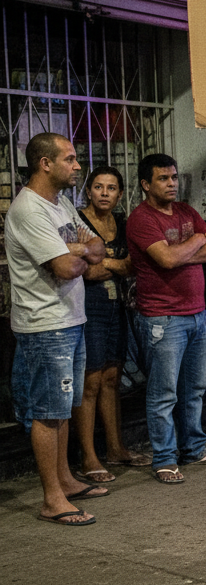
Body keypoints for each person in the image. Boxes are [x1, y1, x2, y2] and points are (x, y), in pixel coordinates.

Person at [6, 133, 107, 525]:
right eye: (69, 158)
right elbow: (66, 267)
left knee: (63, 407)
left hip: (70, 318)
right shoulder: (30, 210)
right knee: (47, 412)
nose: (77, 165)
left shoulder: (60, 203)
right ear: (45, 164)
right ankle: (52, 499)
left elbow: (98, 247)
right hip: (45, 325)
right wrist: (79, 252)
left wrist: (79, 250)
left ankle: (65, 479)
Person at [127, 153, 206, 483]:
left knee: (194, 389)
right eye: (163, 178)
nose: (172, 183)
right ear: (146, 184)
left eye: (174, 177)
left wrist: (191, 246)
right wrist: (197, 239)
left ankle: (194, 448)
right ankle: (164, 458)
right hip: (162, 319)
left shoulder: (186, 211)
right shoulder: (142, 219)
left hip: (197, 315)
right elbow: (167, 259)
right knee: (163, 394)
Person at [72, 165, 149, 483]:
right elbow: (84, 272)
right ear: (89, 190)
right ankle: (89, 457)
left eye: (112, 187)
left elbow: (135, 264)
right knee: (89, 383)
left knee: (112, 380)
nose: (105, 193)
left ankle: (116, 449)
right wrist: (117, 266)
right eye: (99, 187)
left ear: (120, 193)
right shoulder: (78, 221)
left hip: (117, 310)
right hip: (87, 311)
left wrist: (104, 263)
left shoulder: (123, 222)